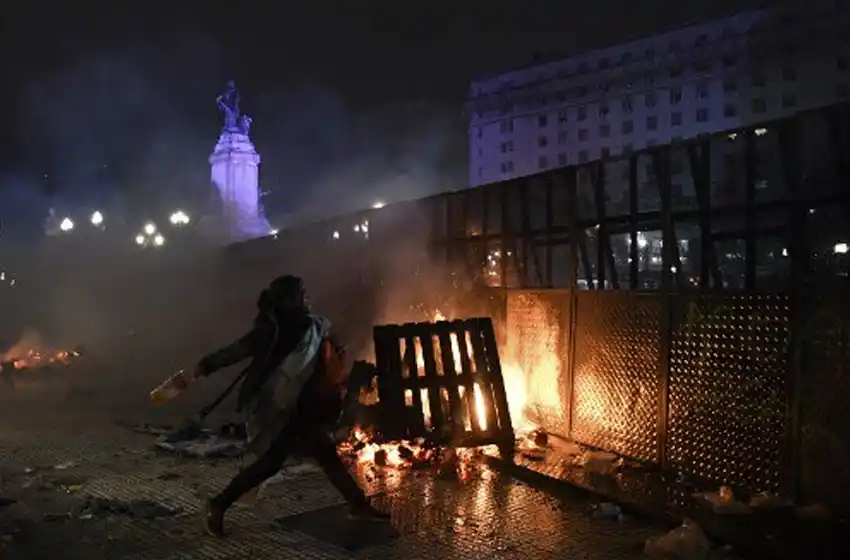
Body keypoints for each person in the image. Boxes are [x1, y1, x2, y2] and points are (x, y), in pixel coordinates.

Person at [187, 275, 389, 537]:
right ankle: (218, 504)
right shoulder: (270, 330)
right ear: (286, 300)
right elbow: (236, 351)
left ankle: (358, 505)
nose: (306, 297)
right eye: (299, 293)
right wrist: (204, 366)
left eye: (305, 292)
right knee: (279, 461)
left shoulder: (313, 327)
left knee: (319, 455)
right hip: (276, 409)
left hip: (302, 407)